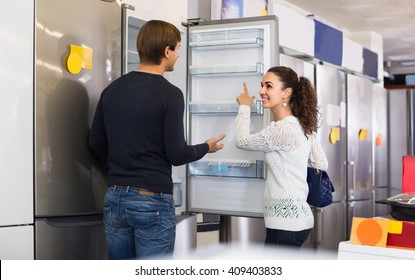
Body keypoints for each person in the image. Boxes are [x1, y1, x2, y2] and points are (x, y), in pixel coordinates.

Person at [89, 20, 225, 260]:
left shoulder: (112, 90)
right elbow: (177, 154)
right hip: (151, 202)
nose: (178, 55)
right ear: (166, 50)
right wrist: (205, 147)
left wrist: (120, 170)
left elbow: (96, 144)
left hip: (115, 199)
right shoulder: (170, 94)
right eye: (178, 49)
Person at [235, 66, 328, 247]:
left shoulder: (282, 129)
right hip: (300, 219)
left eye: (268, 86)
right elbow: (322, 163)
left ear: (286, 93)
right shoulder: (301, 126)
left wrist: (244, 108)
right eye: (262, 85)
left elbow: (242, 141)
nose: (262, 91)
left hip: (285, 224)